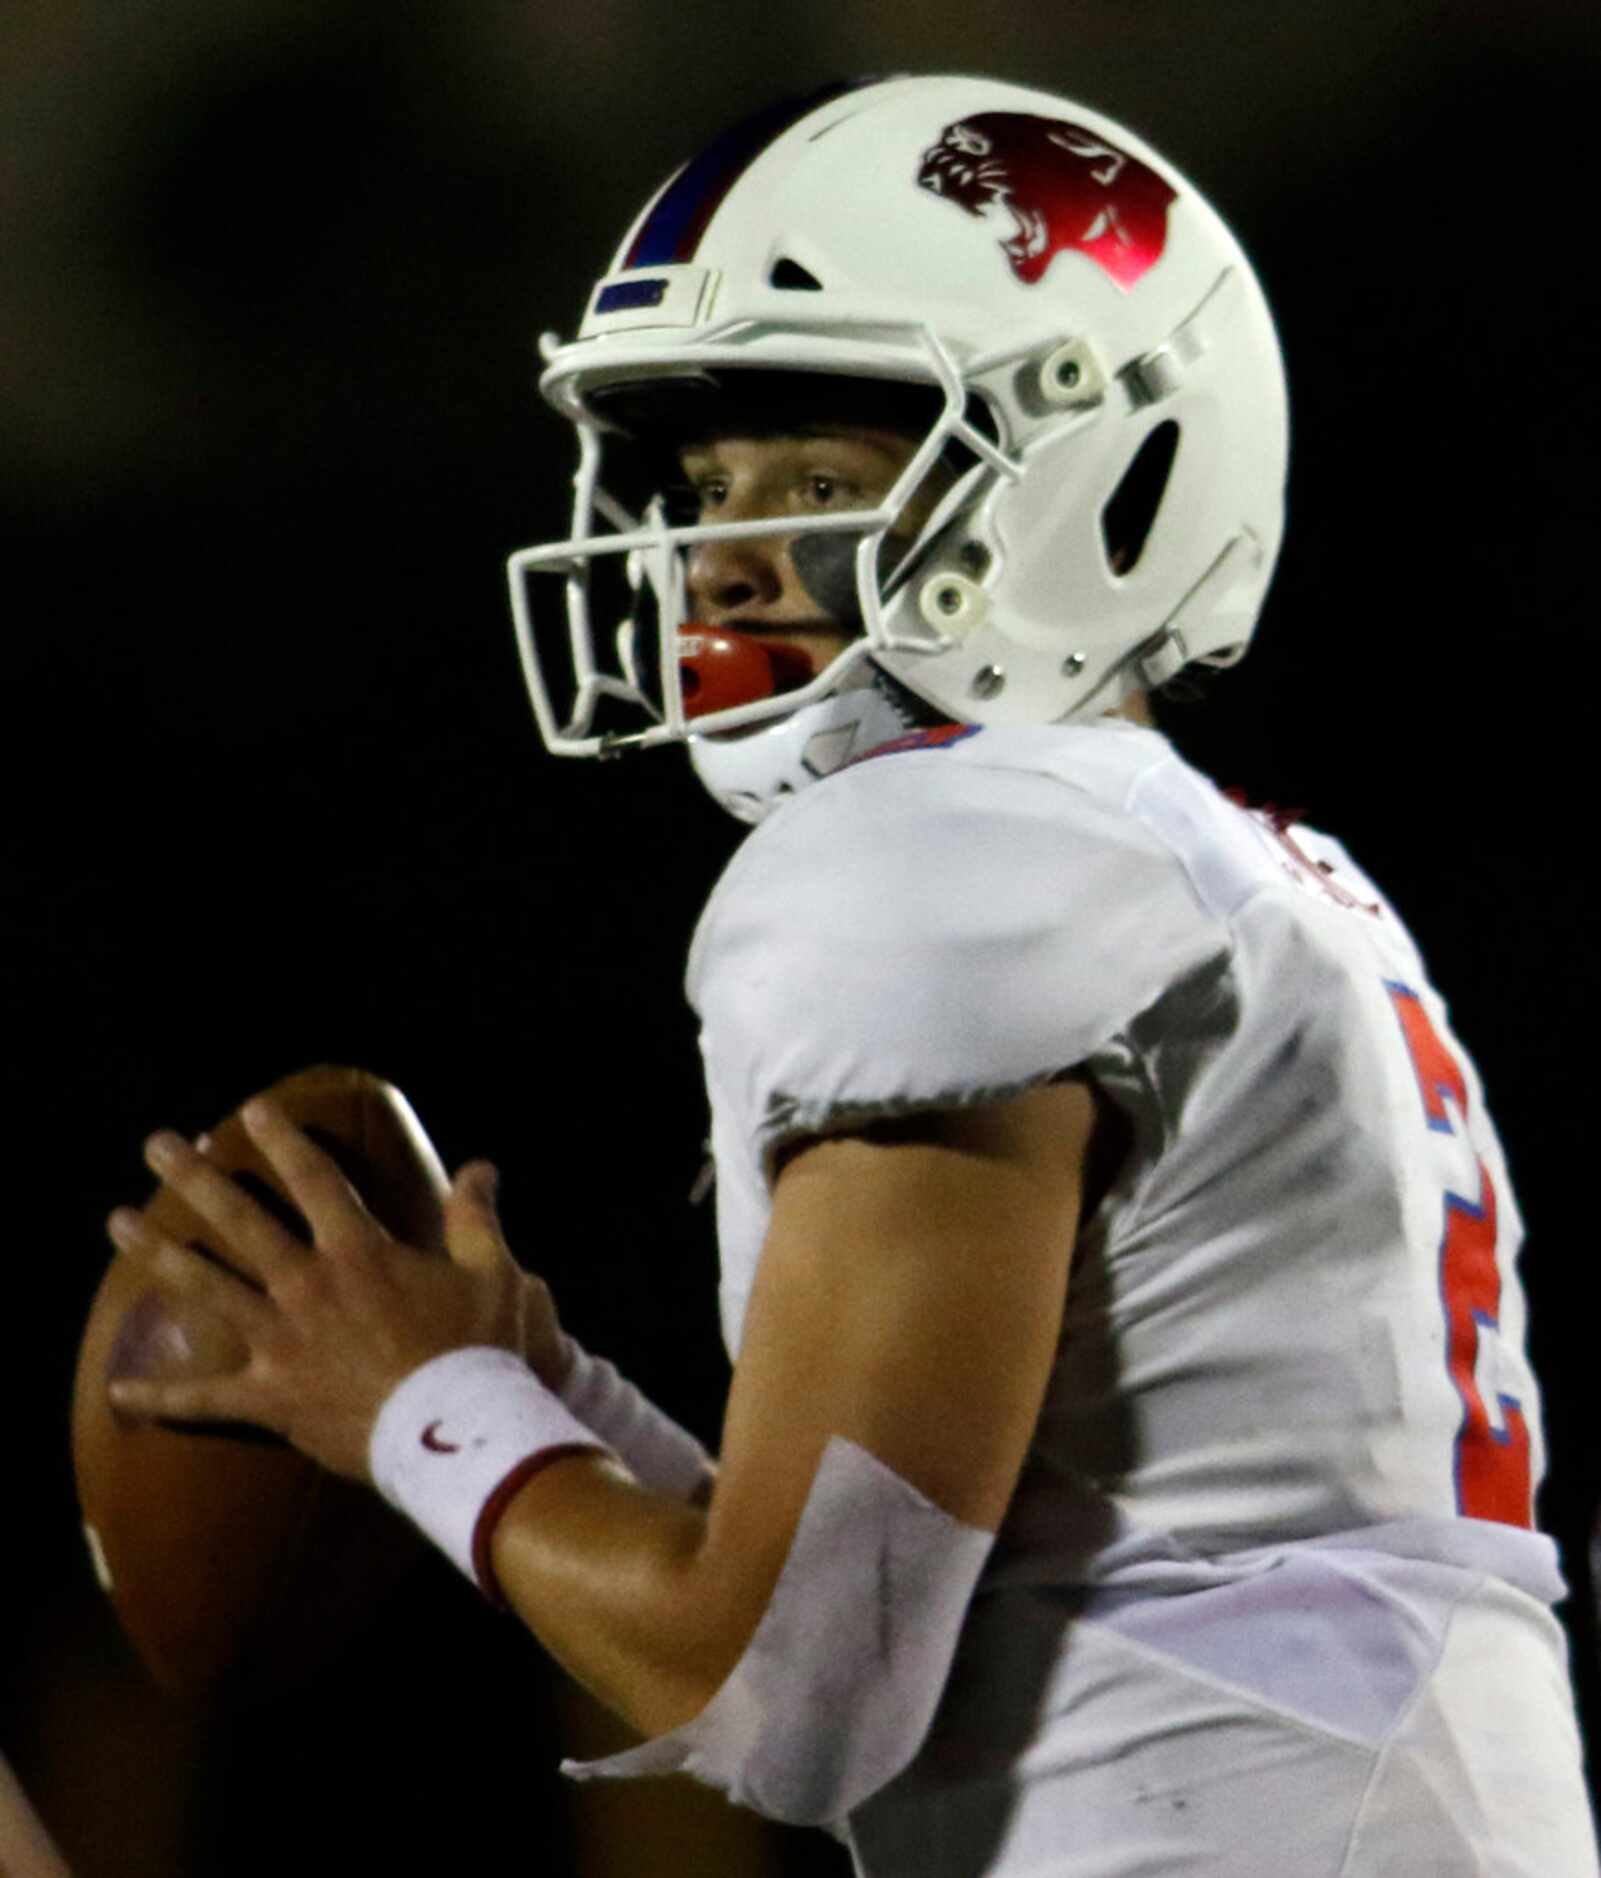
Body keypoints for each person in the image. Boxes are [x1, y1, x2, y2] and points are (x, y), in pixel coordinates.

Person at [106, 74, 1601, 1875]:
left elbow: (781, 1685)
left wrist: (411, 1412)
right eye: (701, 482)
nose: (719, 555)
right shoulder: (1230, 872)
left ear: (1098, 476)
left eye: (818, 478)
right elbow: (937, 1570)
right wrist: (533, 1388)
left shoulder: (949, 858)